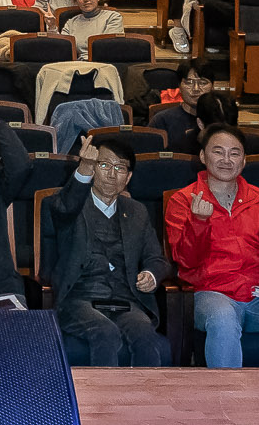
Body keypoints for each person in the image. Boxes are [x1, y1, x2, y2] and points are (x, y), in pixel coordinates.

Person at [166, 125, 259, 367]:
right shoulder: (184, 200)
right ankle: (228, 400)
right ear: (203, 157)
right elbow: (186, 260)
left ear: (244, 161)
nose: (227, 160)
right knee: (223, 317)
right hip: (211, 294)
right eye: (218, 152)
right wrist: (199, 222)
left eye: (234, 153)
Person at [43, 139, 171, 365]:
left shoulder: (137, 211)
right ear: (92, 169)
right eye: (104, 165)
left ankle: (146, 398)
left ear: (128, 177)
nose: (112, 174)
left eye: (120, 168)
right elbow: (64, 207)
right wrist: (83, 167)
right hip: (79, 298)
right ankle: (103, 399)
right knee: (105, 333)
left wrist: (152, 275)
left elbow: (156, 258)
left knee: (145, 336)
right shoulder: (70, 205)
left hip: (125, 298)